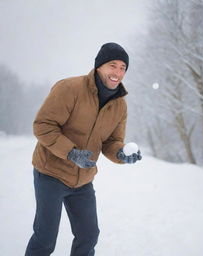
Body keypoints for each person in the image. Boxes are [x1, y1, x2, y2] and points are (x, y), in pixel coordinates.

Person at [25, 42, 142, 256]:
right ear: (99, 66)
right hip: (51, 173)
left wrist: (122, 153)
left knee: (88, 235)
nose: (117, 72)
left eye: (123, 68)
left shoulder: (120, 106)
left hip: (83, 179)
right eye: (112, 65)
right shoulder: (69, 89)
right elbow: (43, 126)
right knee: (45, 238)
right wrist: (71, 152)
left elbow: (111, 142)